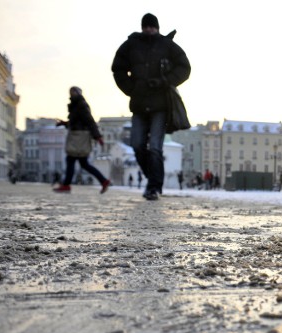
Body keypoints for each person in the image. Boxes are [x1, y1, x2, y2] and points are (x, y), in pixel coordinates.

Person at [111, 13, 191, 201]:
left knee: (155, 147)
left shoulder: (167, 45)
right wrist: (131, 88)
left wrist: (165, 81)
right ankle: (154, 179)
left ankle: (153, 187)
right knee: (138, 145)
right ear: (142, 27)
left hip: (161, 105)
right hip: (139, 104)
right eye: (146, 26)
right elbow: (118, 68)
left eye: (152, 26)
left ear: (157, 27)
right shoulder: (131, 44)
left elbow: (184, 67)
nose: (149, 29)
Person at [53, 86, 110, 194]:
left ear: (77, 93)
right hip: (78, 136)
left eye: (73, 92)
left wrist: (98, 136)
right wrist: (64, 123)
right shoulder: (77, 105)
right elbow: (77, 121)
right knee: (83, 163)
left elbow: (90, 121)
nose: (71, 94)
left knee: (71, 160)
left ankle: (66, 185)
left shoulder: (80, 105)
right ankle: (103, 181)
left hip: (79, 137)